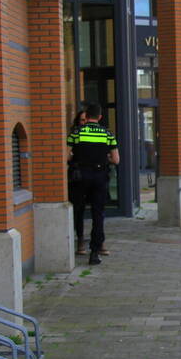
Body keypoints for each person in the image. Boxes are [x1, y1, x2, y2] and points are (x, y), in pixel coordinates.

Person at [67, 103, 119, 265]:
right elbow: (116, 160)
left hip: (80, 176)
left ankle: (80, 241)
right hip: (99, 175)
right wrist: (104, 159)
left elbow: (66, 156)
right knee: (98, 213)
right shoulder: (107, 134)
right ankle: (95, 252)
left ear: (87, 116)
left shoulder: (77, 133)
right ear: (100, 117)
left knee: (79, 209)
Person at [67, 109, 88, 255]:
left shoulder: (98, 135)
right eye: (82, 120)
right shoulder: (74, 135)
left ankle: (99, 242)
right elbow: (67, 155)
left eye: (86, 120)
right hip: (77, 177)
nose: (84, 123)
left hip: (94, 175)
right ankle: (80, 240)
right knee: (78, 210)